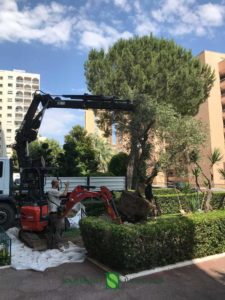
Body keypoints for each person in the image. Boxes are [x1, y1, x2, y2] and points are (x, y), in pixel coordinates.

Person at [47, 179, 69, 249]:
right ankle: (59, 245)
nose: (59, 184)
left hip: (52, 214)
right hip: (55, 214)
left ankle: (50, 246)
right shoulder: (53, 191)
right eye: (58, 183)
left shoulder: (51, 191)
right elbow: (64, 194)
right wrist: (67, 186)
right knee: (58, 230)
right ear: (55, 184)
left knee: (52, 230)